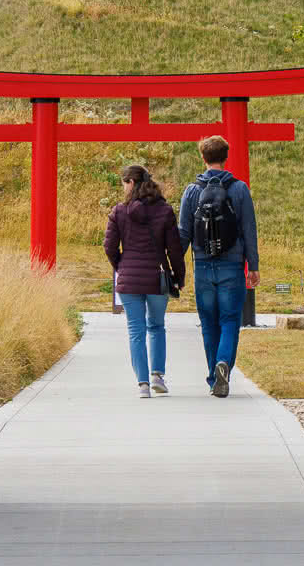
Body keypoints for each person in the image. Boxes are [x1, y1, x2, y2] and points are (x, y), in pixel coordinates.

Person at [179, 135, 258, 398]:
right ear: (226, 157)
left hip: (202, 266)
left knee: (209, 323)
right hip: (232, 266)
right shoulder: (240, 189)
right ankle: (224, 362)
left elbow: (184, 233)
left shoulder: (192, 191)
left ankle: (214, 376)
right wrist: (253, 266)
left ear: (203, 158)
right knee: (229, 320)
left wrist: (174, 266)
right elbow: (248, 230)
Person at [105, 163, 184, 398]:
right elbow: (175, 250)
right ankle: (157, 375)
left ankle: (143, 385)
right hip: (157, 279)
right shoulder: (165, 210)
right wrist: (179, 277)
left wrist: (121, 265)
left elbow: (109, 246)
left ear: (130, 183)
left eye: (124, 184)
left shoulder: (118, 211)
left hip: (129, 280)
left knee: (135, 331)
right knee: (157, 326)